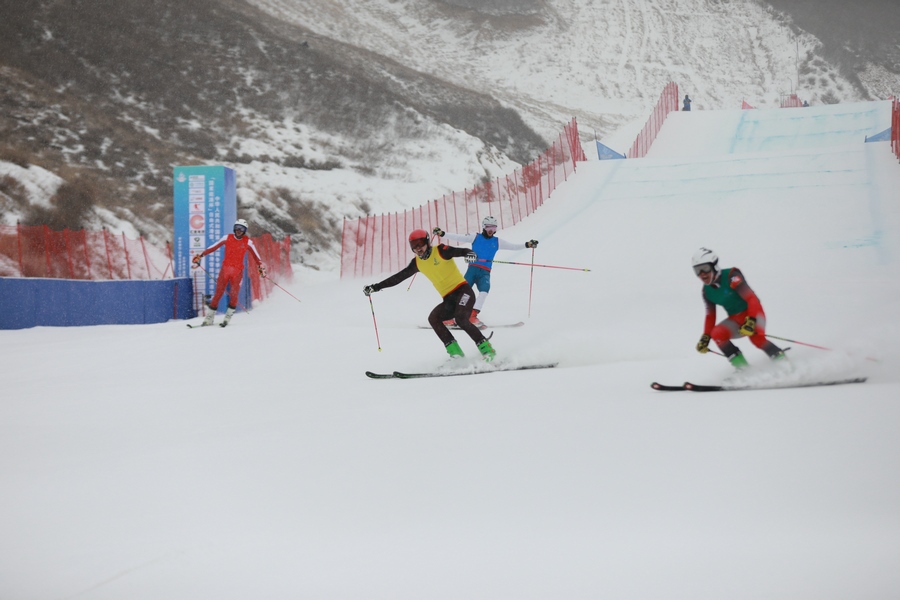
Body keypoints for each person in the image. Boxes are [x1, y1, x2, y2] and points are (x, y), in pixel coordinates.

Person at [363, 229, 496, 362]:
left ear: (427, 242)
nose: (418, 248)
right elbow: (398, 278)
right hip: (449, 299)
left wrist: (470, 253)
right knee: (434, 318)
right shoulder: (417, 263)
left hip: (463, 291)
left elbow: (461, 251)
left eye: (420, 244)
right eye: (414, 246)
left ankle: (487, 349)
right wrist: (376, 287)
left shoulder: (441, 250)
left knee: (461, 319)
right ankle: (456, 354)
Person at [432, 216, 538, 328]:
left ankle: (472, 315)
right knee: (462, 293)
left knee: (484, 290)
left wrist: (527, 245)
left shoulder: (497, 241)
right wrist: (442, 234)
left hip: (485, 272)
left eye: (493, 227)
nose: (491, 230)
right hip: (472, 270)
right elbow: (459, 237)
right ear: (483, 227)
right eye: (488, 227)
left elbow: (513, 247)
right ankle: (451, 318)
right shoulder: (475, 237)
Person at [691, 247, 785, 368]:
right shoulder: (706, 291)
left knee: (757, 339)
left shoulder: (731, 276)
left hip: (753, 313)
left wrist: (751, 320)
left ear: (714, 266)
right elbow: (710, 315)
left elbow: (752, 298)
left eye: (705, 268)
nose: (702, 274)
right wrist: (706, 337)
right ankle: (743, 369)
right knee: (717, 333)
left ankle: (784, 362)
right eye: (697, 270)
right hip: (735, 319)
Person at [192, 218, 267, 327]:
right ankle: (209, 318)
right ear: (234, 228)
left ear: (245, 231)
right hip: (225, 271)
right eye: (237, 228)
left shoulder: (248, 242)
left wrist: (261, 267)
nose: (239, 230)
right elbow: (213, 247)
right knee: (218, 294)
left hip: (237, 273)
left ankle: (227, 318)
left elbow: (257, 257)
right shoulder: (227, 238)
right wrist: (200, 255)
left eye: (242, 229)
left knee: (234, 295)